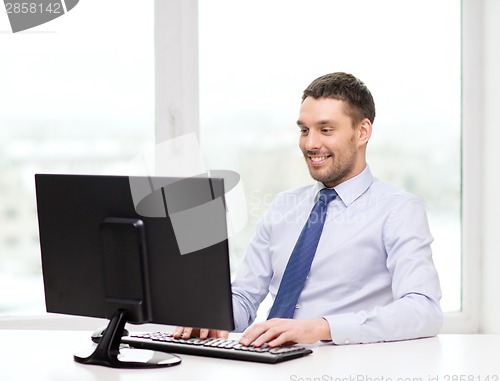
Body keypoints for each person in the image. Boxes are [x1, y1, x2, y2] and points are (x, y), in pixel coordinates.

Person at [174, 72, 443, 347]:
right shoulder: (284, 206)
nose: (310, 144)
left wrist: (320, 328)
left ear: (362, 132)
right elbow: (244, 296)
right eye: (304, 130)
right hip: (267, 363)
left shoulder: (398, 210)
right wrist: (213, 318)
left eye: (326, 130)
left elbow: (423, 310)